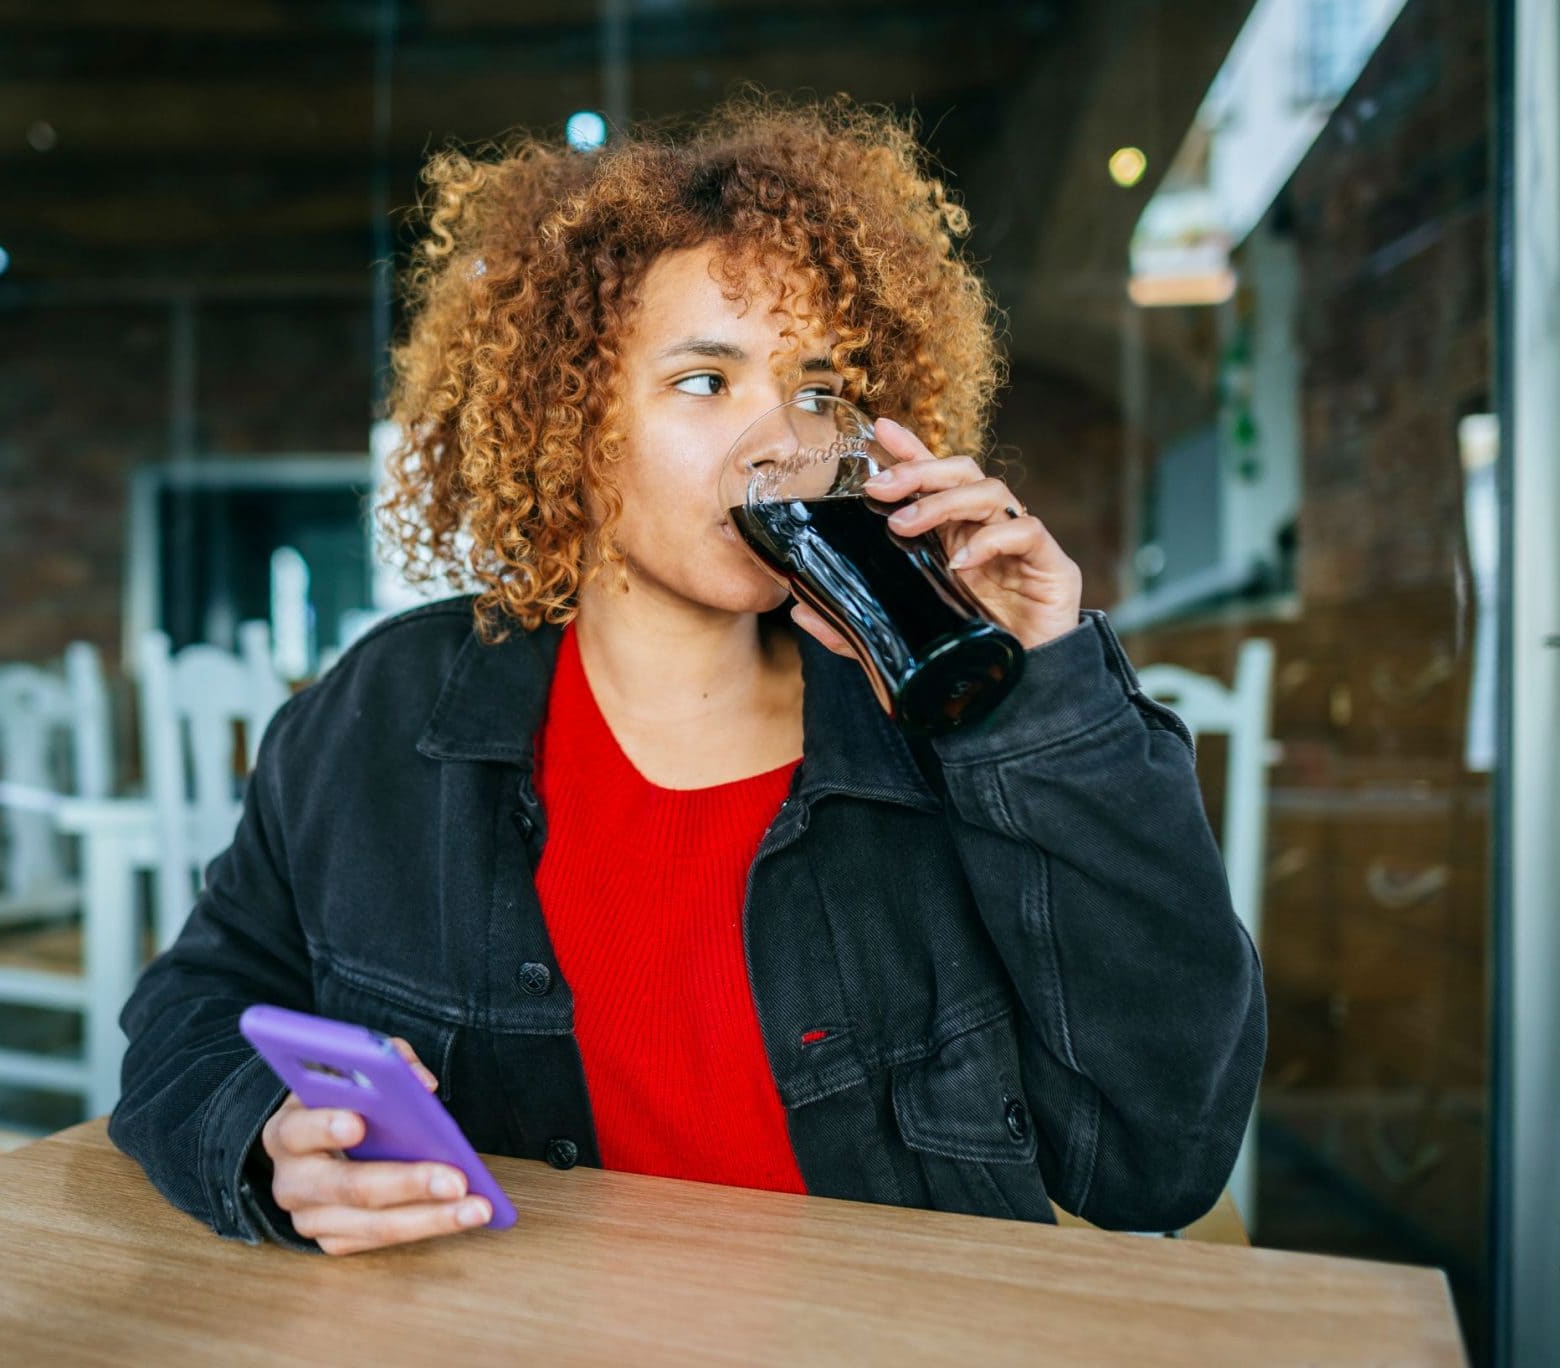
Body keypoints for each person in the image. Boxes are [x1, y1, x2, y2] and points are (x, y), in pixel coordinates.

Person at [110, 93, 1265, 1257]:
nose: (783, 441)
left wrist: (1045, 699)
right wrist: (268, 1142)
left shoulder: (941, 721)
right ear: (566, 423)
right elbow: (188, 1015)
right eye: (705, 382)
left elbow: (1157, 1158)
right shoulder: (386, 712)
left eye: (815, 391)